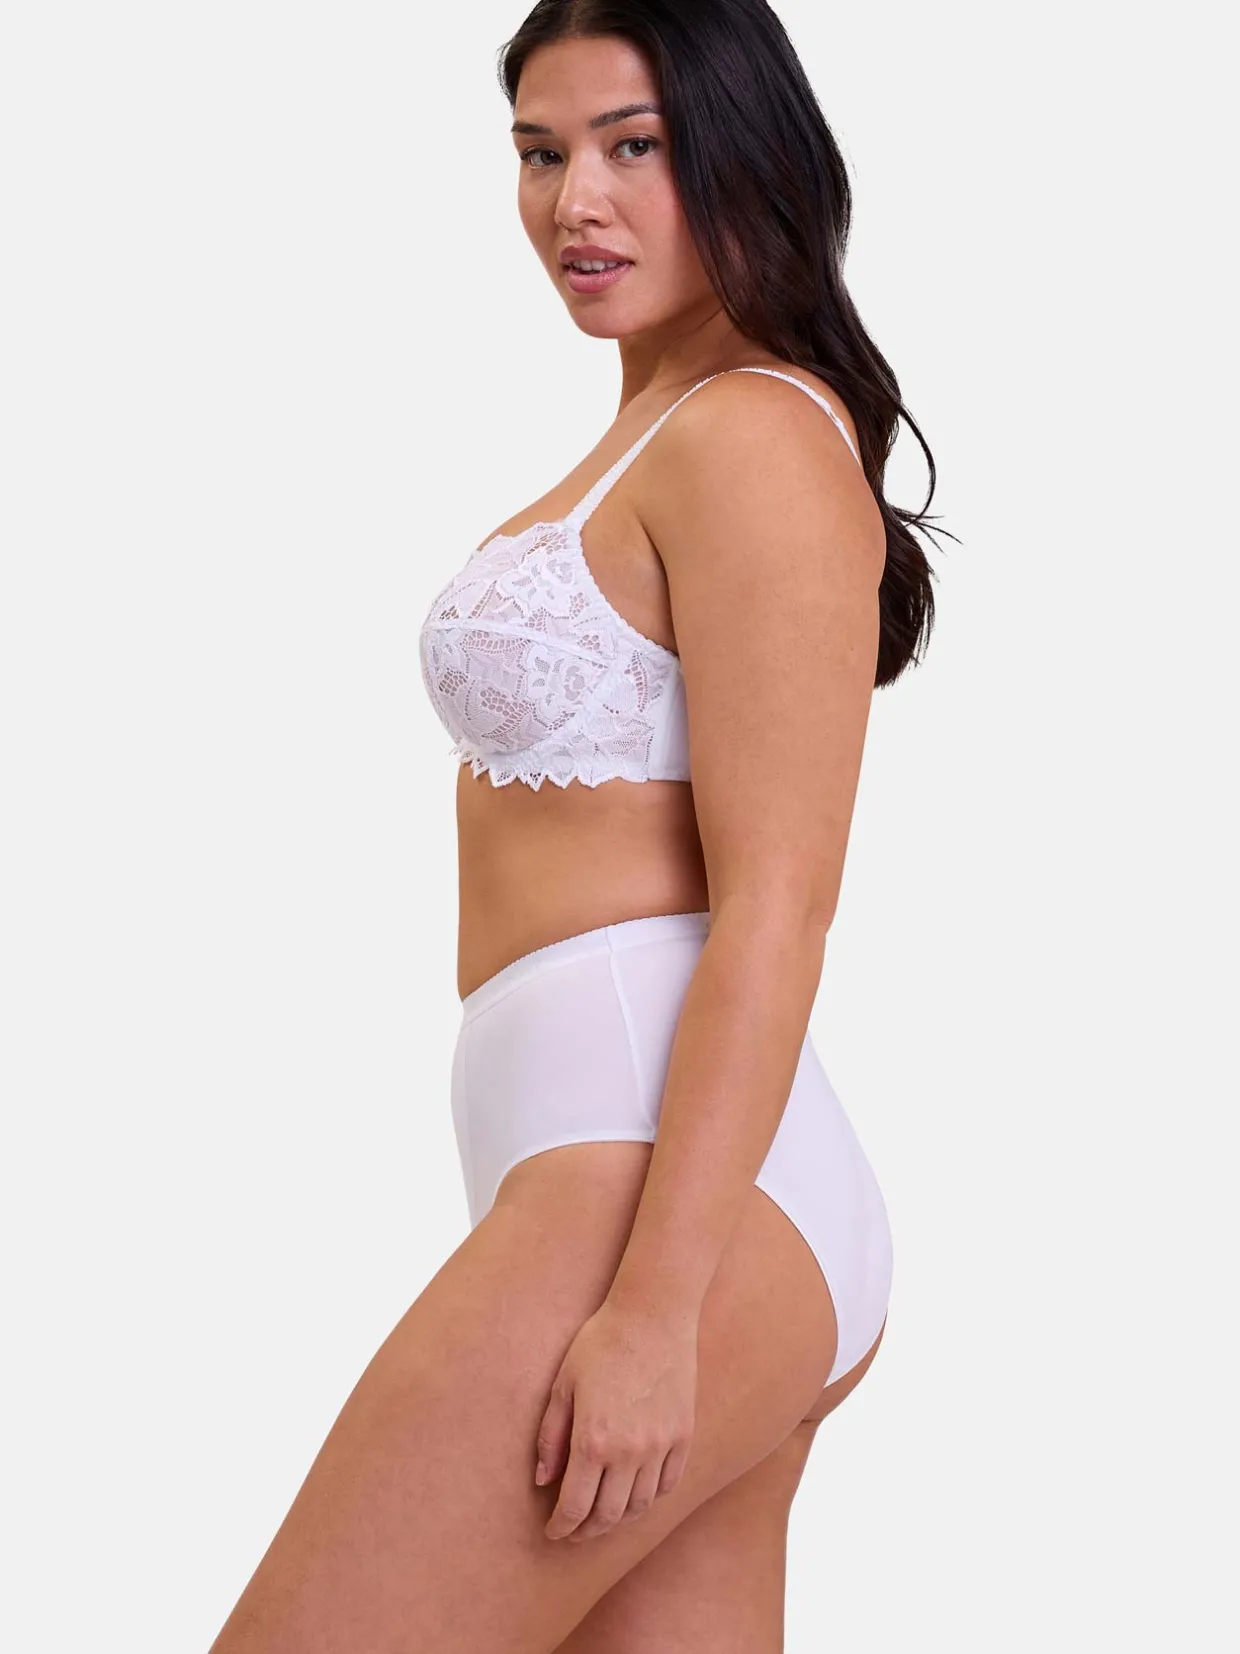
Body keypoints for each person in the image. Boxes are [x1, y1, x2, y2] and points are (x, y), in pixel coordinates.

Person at [209, 2, 943, 1648]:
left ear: (744, 150)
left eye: (634, 146)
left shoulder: (752, 436)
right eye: (540, 155)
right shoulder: (660, 427)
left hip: (669, 1195)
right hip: (631, 1175)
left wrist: (657, 1307)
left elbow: (781, 907)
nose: (574, 203)